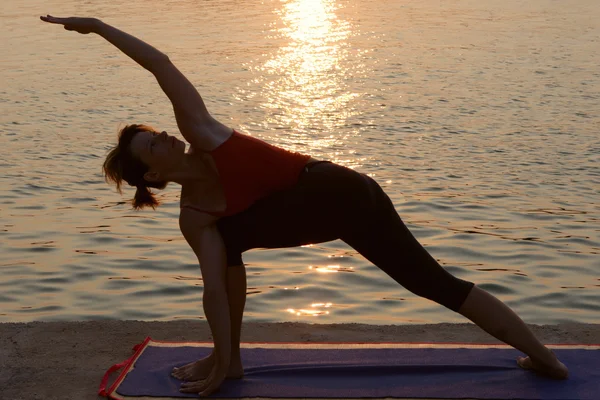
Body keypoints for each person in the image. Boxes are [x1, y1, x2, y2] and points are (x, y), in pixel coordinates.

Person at [41, 15, 569, 397]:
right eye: (153, 145)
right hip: (312, 215)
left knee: (431, 284)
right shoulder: (194, 216)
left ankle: (546, 361)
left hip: (343, 193)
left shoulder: (201, 133)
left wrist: (100, 26)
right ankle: (232, 362)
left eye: (156, 133)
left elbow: (160, 63)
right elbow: (214, 293)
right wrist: (220, 359)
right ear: (154, 174)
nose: (164, 137)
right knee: (225, 243)